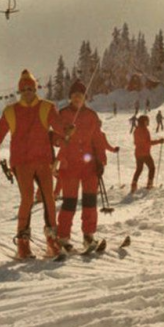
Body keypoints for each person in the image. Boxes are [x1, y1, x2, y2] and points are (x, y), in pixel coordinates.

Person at [0, 69, 68, 260]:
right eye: (24, 88)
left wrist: (66, 130)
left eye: (31, 88)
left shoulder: (47, 107)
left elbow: (59, 126)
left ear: (35, 89)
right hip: (22, 162)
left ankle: (52, 238)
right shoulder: (11, 111)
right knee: (27, 198)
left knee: (49, 199)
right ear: (20, 91)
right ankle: (23, 242)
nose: (27, 91)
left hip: (43, 161)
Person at [55, 80, 115, 252]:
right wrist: (63, 136)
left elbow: (97, 140)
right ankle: (63, 237)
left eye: (80, 95)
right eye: (74, 95)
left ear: (85, 98)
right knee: (69, 202)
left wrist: (101, 161)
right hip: (70, 166)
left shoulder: (91, 115)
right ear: (70, 97)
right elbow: (55, 138)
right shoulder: (63, 114)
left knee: (89, 202)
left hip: (89, 166)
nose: (77, 98)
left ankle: (88, 235)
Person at [131, 115, 164, 193]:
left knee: (139, 169)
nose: (148, 122)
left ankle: (134, 184)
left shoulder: (136, 130)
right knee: (152, 168)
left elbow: (135, 142)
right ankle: (149, 184)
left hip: (138, 153)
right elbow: (148, 143)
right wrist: (159, 141)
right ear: (144, 121)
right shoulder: (145, 130)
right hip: (145, 153)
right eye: (147, 120)